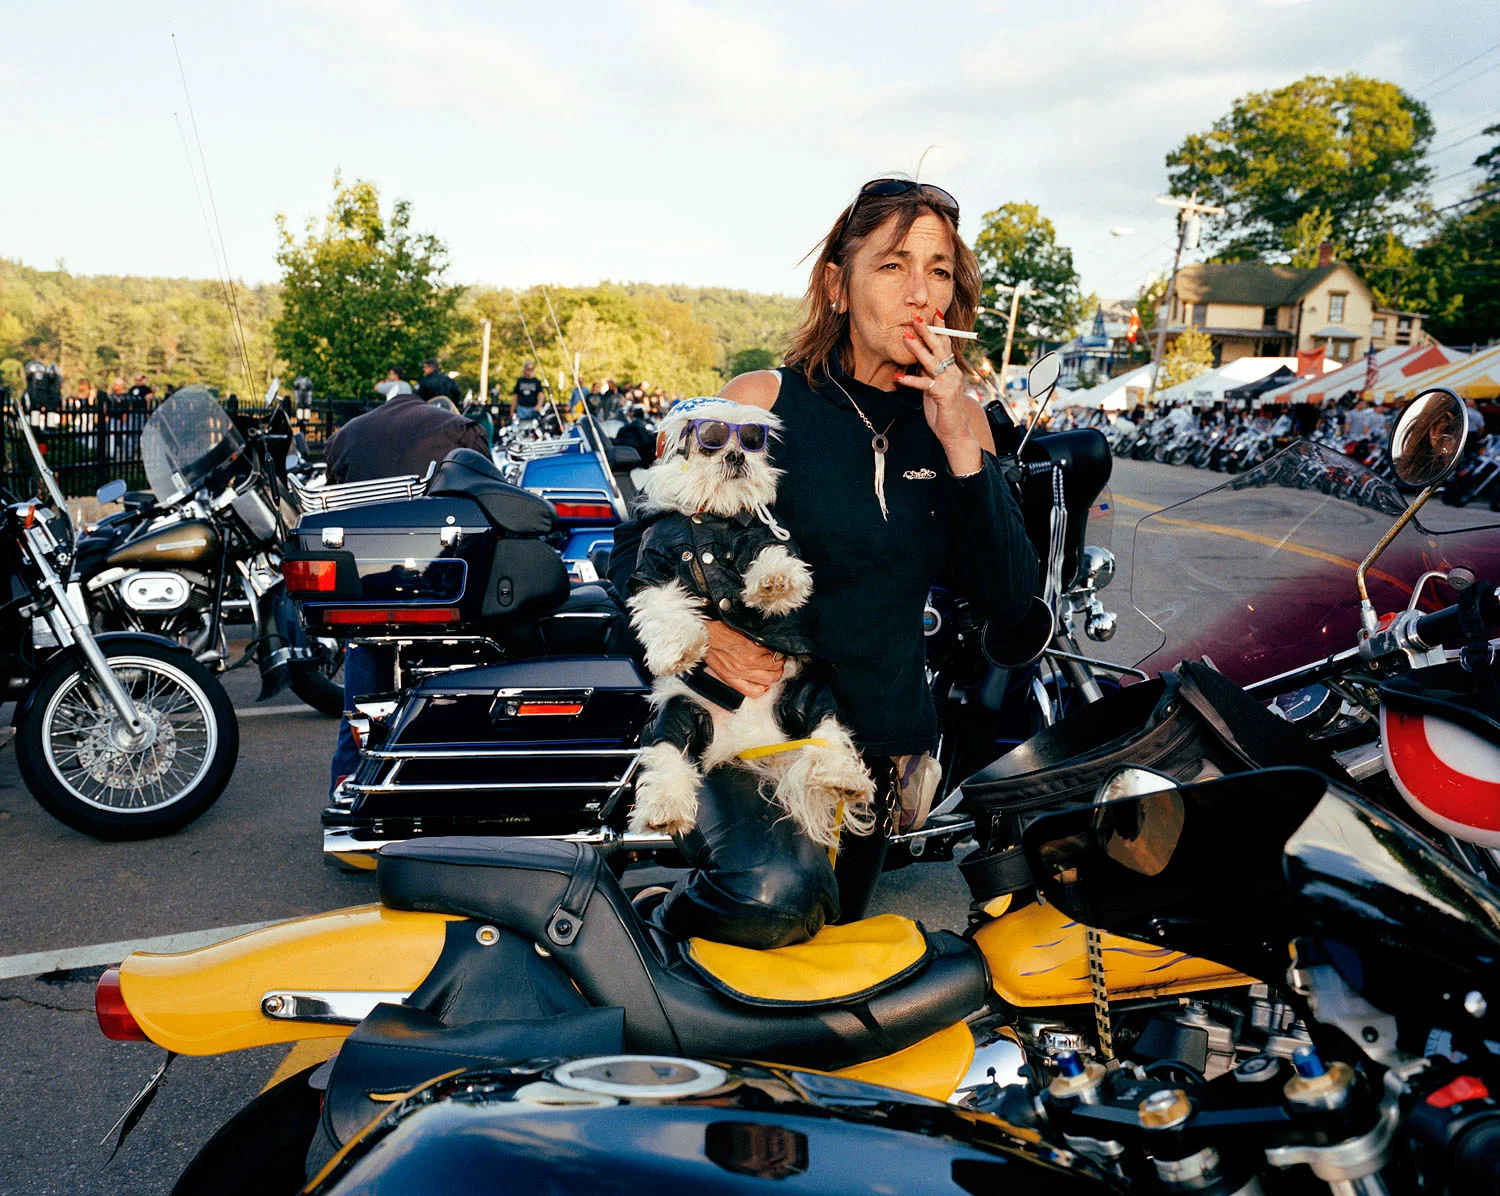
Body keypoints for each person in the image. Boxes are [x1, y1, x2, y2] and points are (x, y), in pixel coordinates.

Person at [609, 176, 1038, 947]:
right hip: (748, 725)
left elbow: (1010, 599)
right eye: (893, 266)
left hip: (871, 750)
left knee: (822, 948)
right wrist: (708, 637)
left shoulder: (961, 422)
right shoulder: (760, 402)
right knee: (773, 895)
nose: (920, 293)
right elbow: (635, 556)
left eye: (939, 270)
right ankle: (646, 939)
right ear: (837, 287)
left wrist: (957, 439)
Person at [323, 388, 490, 796]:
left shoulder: (347, 434)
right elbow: (488, 501)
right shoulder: (461, 429)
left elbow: (335, 500)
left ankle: (347, 783)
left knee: (360, 700)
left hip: (369, 580)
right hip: (438, 577)